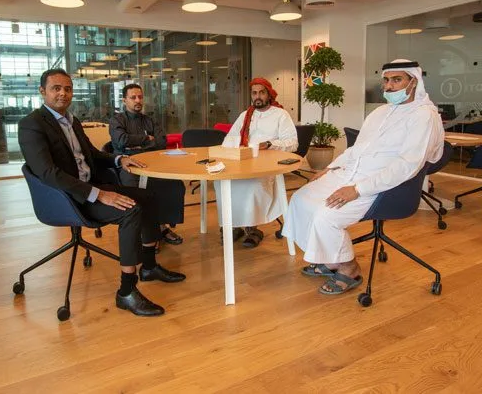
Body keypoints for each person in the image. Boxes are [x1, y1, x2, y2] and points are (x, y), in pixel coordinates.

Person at [18, 69, 185, 317]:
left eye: (67, 88)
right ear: (43, 91)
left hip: (91, 186)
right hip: (69, 198)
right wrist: (97, 194)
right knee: (131, 210)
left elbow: (93, 155)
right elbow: (48, 173)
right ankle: (126, 292)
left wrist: (120, 160)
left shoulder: (72, 121)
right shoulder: (31, 124)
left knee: (149, 198)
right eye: (56, 88)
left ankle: (149, 267)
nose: (63, 93)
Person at [282, 59, 444, 295]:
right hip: (349, 173)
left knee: (326, 214)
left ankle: (349, 268)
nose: (389, 86)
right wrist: (331, 168)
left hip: (382, 186)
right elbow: (357, 149)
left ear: (414, 82)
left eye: (397, 80)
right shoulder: (379, 113)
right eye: (386, 80)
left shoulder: (424, 116)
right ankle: (330, 259)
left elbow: (407, 165)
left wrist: (357, 189)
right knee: (300, 199)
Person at [214, 77, 298, 248]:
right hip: (242, 162)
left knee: (252, 185)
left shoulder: (281, 115)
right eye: (254, 93)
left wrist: (269, 144)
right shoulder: (245, 115)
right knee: (222, 181)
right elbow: (230, 138)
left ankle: (252, 229)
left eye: (261, 92)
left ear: (269, 94)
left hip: (267, 165)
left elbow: (292, 143)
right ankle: (233, 225)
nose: (257, 96)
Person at [109, 84, 186, 248]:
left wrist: (136, 144)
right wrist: (146, 139)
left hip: (151, 163)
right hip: (127, 165)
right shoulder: (117, 120)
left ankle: (161, 227)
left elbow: (161, 142)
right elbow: (121, 140)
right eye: (133, 97)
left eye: (140, 97)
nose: (138, 100)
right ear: (124, 100)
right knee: (137, 191)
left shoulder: (150, 120)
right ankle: (146, 234)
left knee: (173, 184)